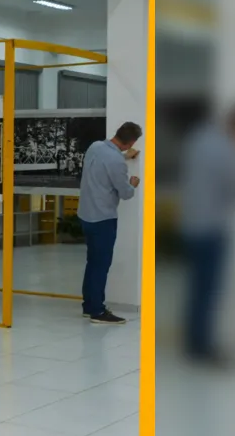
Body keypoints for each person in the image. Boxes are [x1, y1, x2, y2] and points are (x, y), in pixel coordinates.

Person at [179, 103, 235, 364]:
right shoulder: (228, 149)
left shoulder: (201, 139)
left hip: (191, 225)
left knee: (196, 290)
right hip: (211, 229)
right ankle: (201, 348)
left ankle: (193, 344)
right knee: (208, 292)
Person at [77, 122, 142, 324]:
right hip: (103, 218)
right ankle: (97, 311)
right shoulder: (117, 162)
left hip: (86, 214)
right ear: (131, 142)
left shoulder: (95, 147)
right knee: (100, 265)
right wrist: (132, 183)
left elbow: (106, 164)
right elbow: (125, 193)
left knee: (92, 263)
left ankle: (89, 306)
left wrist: (123, 157)